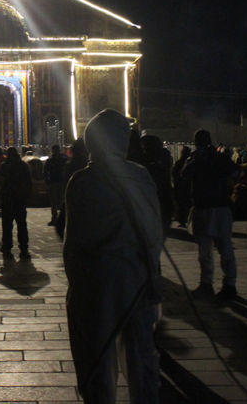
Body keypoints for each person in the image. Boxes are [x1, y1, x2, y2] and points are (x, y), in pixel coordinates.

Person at [64, 109, 163, 404]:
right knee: (141, 360)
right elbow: (154, 231)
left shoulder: (82, 181)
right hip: (137, 279)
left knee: (98, 359)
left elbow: (75, 242)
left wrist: (77, 285)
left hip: (100, 284)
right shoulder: (140, 176)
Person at [180, 128, 238, 300]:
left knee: (213, 250)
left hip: (211, 206)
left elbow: (184, 174)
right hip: (213, 206)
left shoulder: (210, 157)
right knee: (218, 249)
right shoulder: (210, 157)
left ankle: (218, 284)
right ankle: (224, 284)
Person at [0, 146, 32, 258]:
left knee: (7, 224)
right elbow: (28, 182)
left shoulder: (5, 166)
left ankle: (7, 246)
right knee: (21, 223)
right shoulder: (23, 166)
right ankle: (23, 247)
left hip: (8, 198)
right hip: (19, 198)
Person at [43, 144, 67, 226]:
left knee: (58, 202)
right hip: (57, 182)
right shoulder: (62, 159)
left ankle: (57, 218)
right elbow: (45, 172)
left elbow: (45, 172)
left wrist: (47, 181)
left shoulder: (52, 160)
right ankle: (58, 218)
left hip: (57, 182)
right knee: (57, 202)